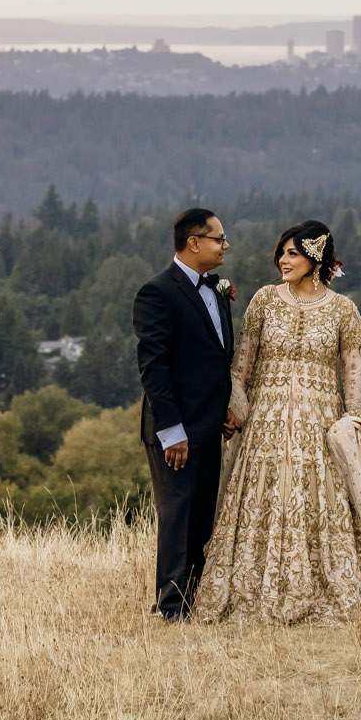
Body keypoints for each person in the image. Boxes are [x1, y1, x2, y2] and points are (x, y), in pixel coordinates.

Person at [192, 219, 361, 624]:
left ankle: (322, 591)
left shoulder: (344, 311)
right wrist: (233, 412)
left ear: (316, 259)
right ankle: (246, 593)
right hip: (265, 426)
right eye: (281, 252)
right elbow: (240, 368)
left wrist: (351, 424)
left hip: (318, 429)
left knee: (316, 505)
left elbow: (353, 377)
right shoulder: (263, 300)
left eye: (292, 253)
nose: (283, 259)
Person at [132, 207, 238, 621]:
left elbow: (216, 361)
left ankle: (194, 599)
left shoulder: (218, 289)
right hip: (175, 431)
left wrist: (226, 409)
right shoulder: (157, 292)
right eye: (219, 239)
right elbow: (153, 366)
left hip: (211, 426)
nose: (225, 246)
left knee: (201, 519)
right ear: (194, 242)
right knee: (177, 516)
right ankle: (171, 607)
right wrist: (172, 430)